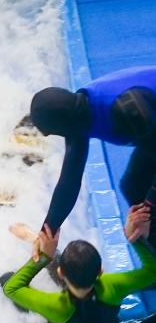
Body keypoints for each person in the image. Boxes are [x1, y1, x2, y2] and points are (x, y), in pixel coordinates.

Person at [29, 66, 156, 259]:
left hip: (147, 117)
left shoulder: (128, 110)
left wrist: (149, 207)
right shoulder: (76, 113)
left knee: (146, 201)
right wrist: (47, 232)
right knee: (133, 186)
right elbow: (69, 181)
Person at [0, 205, 156, 323]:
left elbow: (11, 287)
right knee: (74, 267)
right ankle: (37, 242)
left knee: (6, 278)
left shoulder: (55, 305)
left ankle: (35, 240)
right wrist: (135, 239)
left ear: (60, 273)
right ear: (100, 271)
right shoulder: (113, 285)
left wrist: (44, 257)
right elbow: (152, 272)